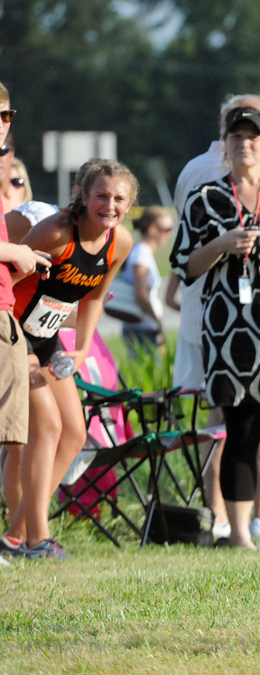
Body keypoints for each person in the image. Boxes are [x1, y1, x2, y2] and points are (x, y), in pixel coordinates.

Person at [170, 104, 260, 550]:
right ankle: (238, 533)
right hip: (228, 328)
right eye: (236, 136)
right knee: (242, 428)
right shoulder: (206, 197)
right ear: (225, 142)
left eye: (254, 136)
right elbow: (184, 266)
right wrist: (220, 244)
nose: (245, 143)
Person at [4, 159, 135, 559]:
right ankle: (37, 539)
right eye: (101, 196)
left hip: (48, 337)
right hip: (14, 331)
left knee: (76, 434)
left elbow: (95, 295)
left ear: (129, 205)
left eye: (118, 198)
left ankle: (14, 535)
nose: (109, 205)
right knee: (46, 427)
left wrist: (81, 347)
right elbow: (8, 277)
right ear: (82, 194)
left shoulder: (121, 241)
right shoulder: (58, 232)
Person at [0, 82, 53, 561]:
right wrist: (15, 251)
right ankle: (21, 536)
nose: (1, 124)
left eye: (4, 115)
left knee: (16, 432)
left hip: (7, 318)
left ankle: (21, 535)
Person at [118, 206, 173, 351]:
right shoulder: (141, 253)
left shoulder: (142, 251)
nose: (170, 234)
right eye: (166, 229)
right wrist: (157, 321)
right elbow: (140, 293)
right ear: (152, 229)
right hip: (143, 328)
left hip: (142, 326)